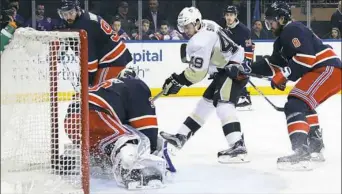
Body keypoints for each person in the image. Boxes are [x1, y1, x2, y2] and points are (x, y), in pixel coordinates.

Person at [244, 1, 341, 170]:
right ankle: (315, 147)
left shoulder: (292, 29)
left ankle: (301, 152)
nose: (269, 25)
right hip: (324, 71)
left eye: (271, 21)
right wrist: (247, 68)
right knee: (303, 103)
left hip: (327, 69)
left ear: (282, 19)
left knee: (295, 103)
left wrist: (284, 75)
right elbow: (273, 65)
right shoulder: (281, 41)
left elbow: (306, 58)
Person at [159, 7, 250, 163]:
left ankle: (237, 146)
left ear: (196, 23)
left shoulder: (199, 41)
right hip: (229, 67)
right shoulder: (208, 24)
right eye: (183, 27)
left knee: (224, 105)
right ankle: (181, 136)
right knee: (205, 104)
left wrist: (177, 80)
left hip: (232, 70)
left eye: (187, 26)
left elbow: (197, 73)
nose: (185, 31)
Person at [64, 68, 176, 189]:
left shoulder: (109, 87)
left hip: (71, 120)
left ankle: (73, 158)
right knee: (131, 141)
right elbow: (148, 129)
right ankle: (131, 172)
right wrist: (152, 152)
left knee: (101, 151)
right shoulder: (137, 85)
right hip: (93, 115)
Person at [58, 0, 132, 86]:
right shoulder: (79, 19)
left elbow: (91, 59)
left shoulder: (86, 25)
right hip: (110, 56)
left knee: (97, 91)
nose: (68, 17)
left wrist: (88, 82)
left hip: (112, 58)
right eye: (64, 14)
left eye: (70, 13)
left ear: (77, 9)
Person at [222, 5, 255, 110]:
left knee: (237, 77)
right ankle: (241, 96)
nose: (229, 17)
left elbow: (249, 48)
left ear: (235, 16)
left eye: (231, 15)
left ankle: (244, 98)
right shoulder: (224, 27)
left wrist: (247, 62)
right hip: (229, 57)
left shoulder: (244, 30)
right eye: (227, 15)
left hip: (240, 58)